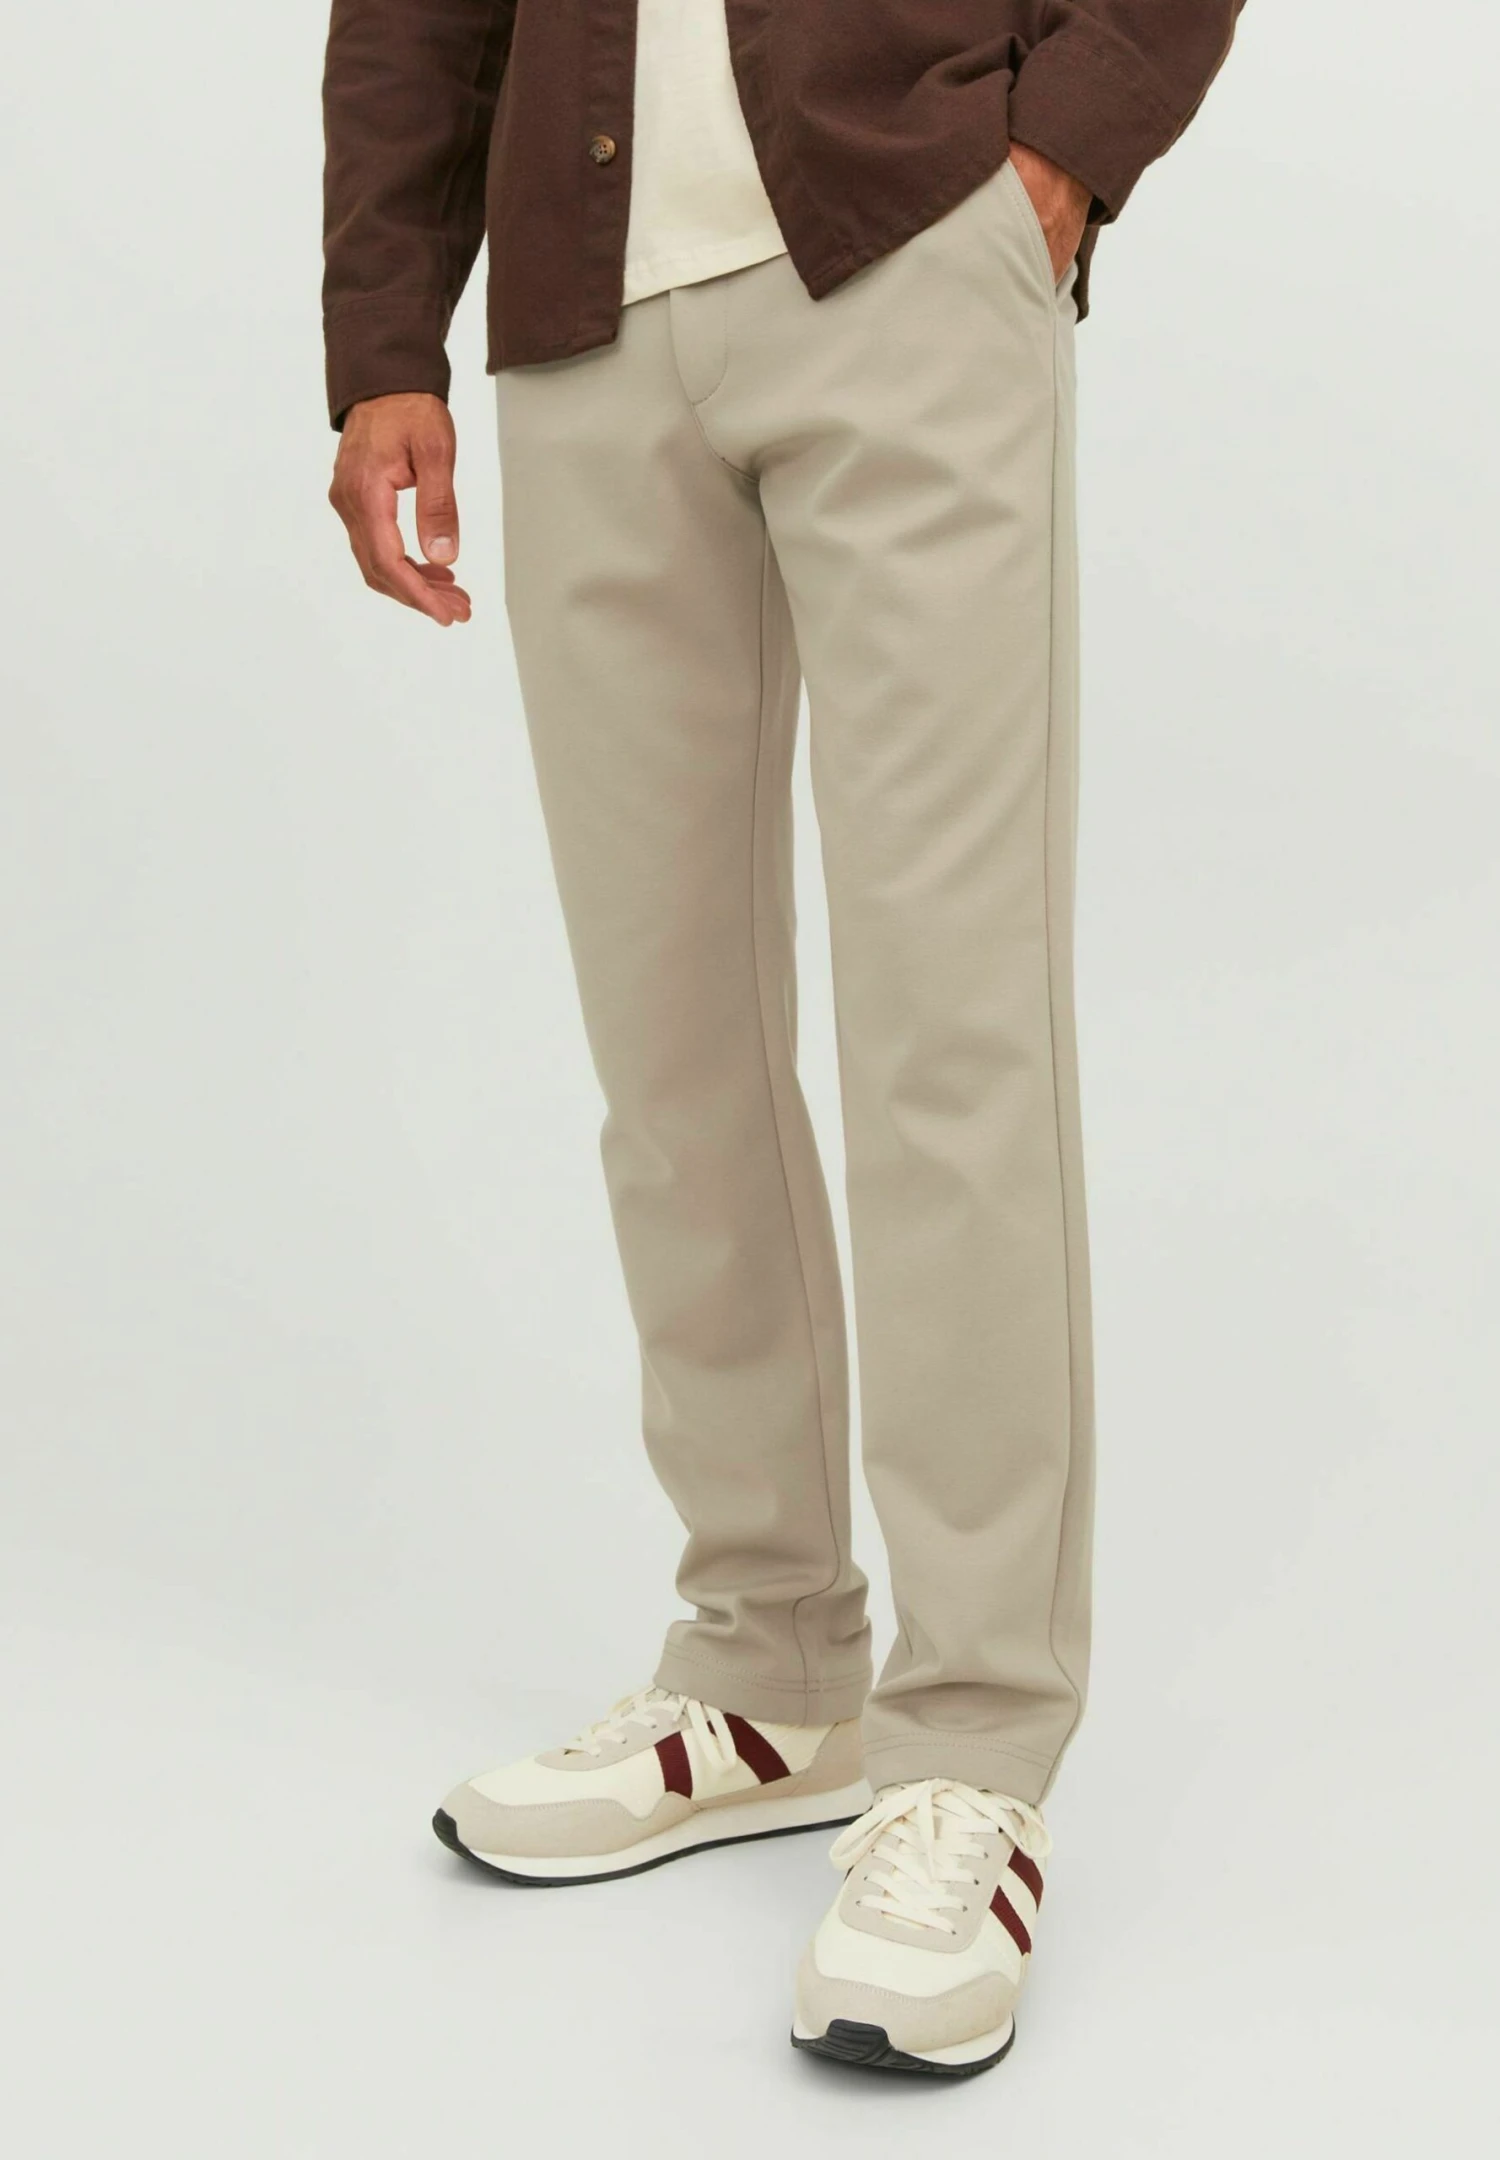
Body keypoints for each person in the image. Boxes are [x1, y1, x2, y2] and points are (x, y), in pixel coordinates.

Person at [323, 0, 1243, 2079]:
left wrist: (1061, 157)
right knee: (668, 1053)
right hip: (581, 317)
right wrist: (385, 337)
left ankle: (976, 1739)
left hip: (906, 244)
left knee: (952, 1039)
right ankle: (768, 1662)